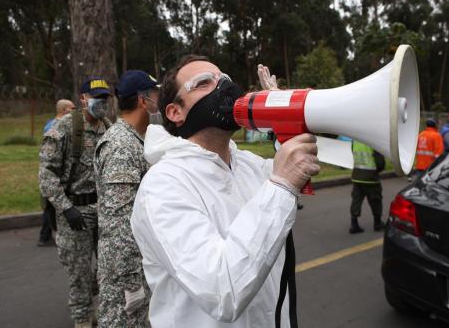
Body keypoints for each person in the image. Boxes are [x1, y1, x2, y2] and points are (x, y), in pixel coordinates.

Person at [130, 55, 320, 328]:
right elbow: (222, 291)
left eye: (226, 80)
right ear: (175, 112)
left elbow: (292, 174)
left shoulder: (249, 165)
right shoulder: (162, 185)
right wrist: (283, 182)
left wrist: (286, 118)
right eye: (204, 83)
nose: (224, 87)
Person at [39, 77, 112, 328]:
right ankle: (82, 320)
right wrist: (66, 208)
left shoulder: (108, 127)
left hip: (103, 210)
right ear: (83, 99)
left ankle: (102, 312)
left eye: (105, 98)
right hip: (74, 211)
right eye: (97, 98)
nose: (102, 103)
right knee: (79, 274)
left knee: (107, 268)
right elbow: (46, 174)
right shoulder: (65, 128)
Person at [94, 70, 161, 327]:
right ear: (143, 100)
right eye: (155, 93)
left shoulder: (137, 140)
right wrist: (130, 278)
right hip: (127, 269)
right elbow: (119, 220)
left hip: (138, 261)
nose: (159, 98)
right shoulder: (121, 146)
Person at [38, 99, 75, 247]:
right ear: (65, 109)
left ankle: (45, 235)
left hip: (57, 174)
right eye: (72, 108)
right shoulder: (56, 126)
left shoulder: (55, 123)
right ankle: (45, 236)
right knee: (52, 206)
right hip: (54, 175)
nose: (75, 110)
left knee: (51, 206)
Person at [349, 140, 385, 234]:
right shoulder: (372, 140)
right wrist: (377, 171)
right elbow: (380, 163)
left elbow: (353, 153)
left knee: (356, 200)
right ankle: (377, 223)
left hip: (357, 176)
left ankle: (354, 224)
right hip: (371, 178)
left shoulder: (355, 140)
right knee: (376, 200)